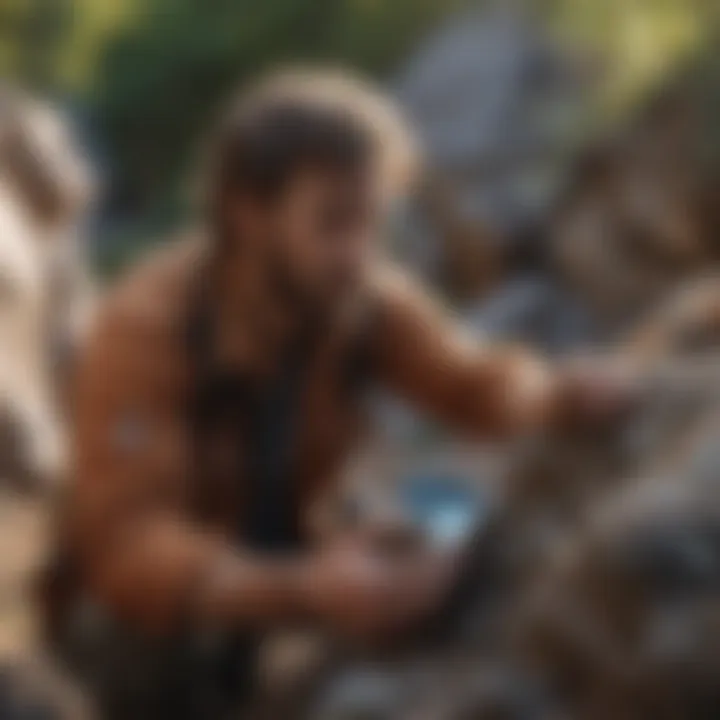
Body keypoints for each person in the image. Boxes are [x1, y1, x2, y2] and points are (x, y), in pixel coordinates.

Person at [54, 69, 632, 719]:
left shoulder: (358, 295)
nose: (359, 251)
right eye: (333, 221)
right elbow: (125, 547)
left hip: (291, 567)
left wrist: (560, 392)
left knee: (448, 529)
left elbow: (471, 386)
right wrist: (305, 589)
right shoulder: (146, 326)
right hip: (162, 626)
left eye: (371, 222)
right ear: (248, 212)